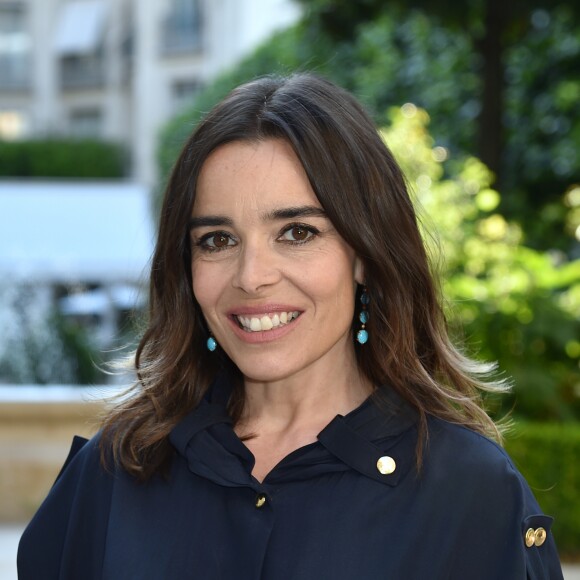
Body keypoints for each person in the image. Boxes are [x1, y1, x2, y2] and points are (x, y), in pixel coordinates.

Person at [18, 73, 563, 579]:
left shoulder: (474, 495)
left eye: (297, 233)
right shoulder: (115, 471)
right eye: (218, 240)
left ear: (365, 253)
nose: (251, 277)